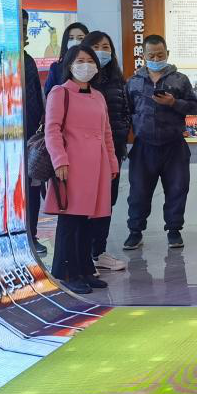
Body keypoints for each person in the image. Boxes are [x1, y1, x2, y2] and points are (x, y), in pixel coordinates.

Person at [45, 45, 119, 294]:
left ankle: (86, 269)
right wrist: (59, 161)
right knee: (71, 220)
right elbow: (52, 130)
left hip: (97, 166)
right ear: (69, 65)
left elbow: (106, 132)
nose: (85, 65)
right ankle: (66, 272)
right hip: (72, 166)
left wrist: (112, 162)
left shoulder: (98, 96)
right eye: (80, 60)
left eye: (90, 60)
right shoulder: (60, 92)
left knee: (89, 220)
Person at [124, 35, 197, 251]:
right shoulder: (133, 81)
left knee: (177, 189)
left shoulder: (180, 80)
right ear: (143, 55)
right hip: (143, 145)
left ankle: (174, 230)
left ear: (167, 54)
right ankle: (135, 232)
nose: (156, 59)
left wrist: (174, 102)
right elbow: (126, 112)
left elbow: (194, 108)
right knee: (138, 192)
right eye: (151, 55)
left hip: (174, 145)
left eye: (160, 55)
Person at [80, 31, 130, 272]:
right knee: (85, 203)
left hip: (113, 151)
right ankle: (82, 254)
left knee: (107, 202)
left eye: (106, 47)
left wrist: (121, 134)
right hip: (86, 153)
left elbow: (124, 111)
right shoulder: (82, 80)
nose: (102, 51)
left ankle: (98, 252)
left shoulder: (117, 78)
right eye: (97, 46)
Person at [22, 10, 46, 256]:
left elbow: (36, 100)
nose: (22, 32)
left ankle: (31, 235)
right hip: (0, 141)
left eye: (25, 27)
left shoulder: (28, 60)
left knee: (32, 188)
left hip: (29, 139)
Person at [44, 21, 88, 95]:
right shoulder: (56, 67)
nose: (75, 41)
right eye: (71, 38)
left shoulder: (92, 66)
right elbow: (49, 94)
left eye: (80, 38)